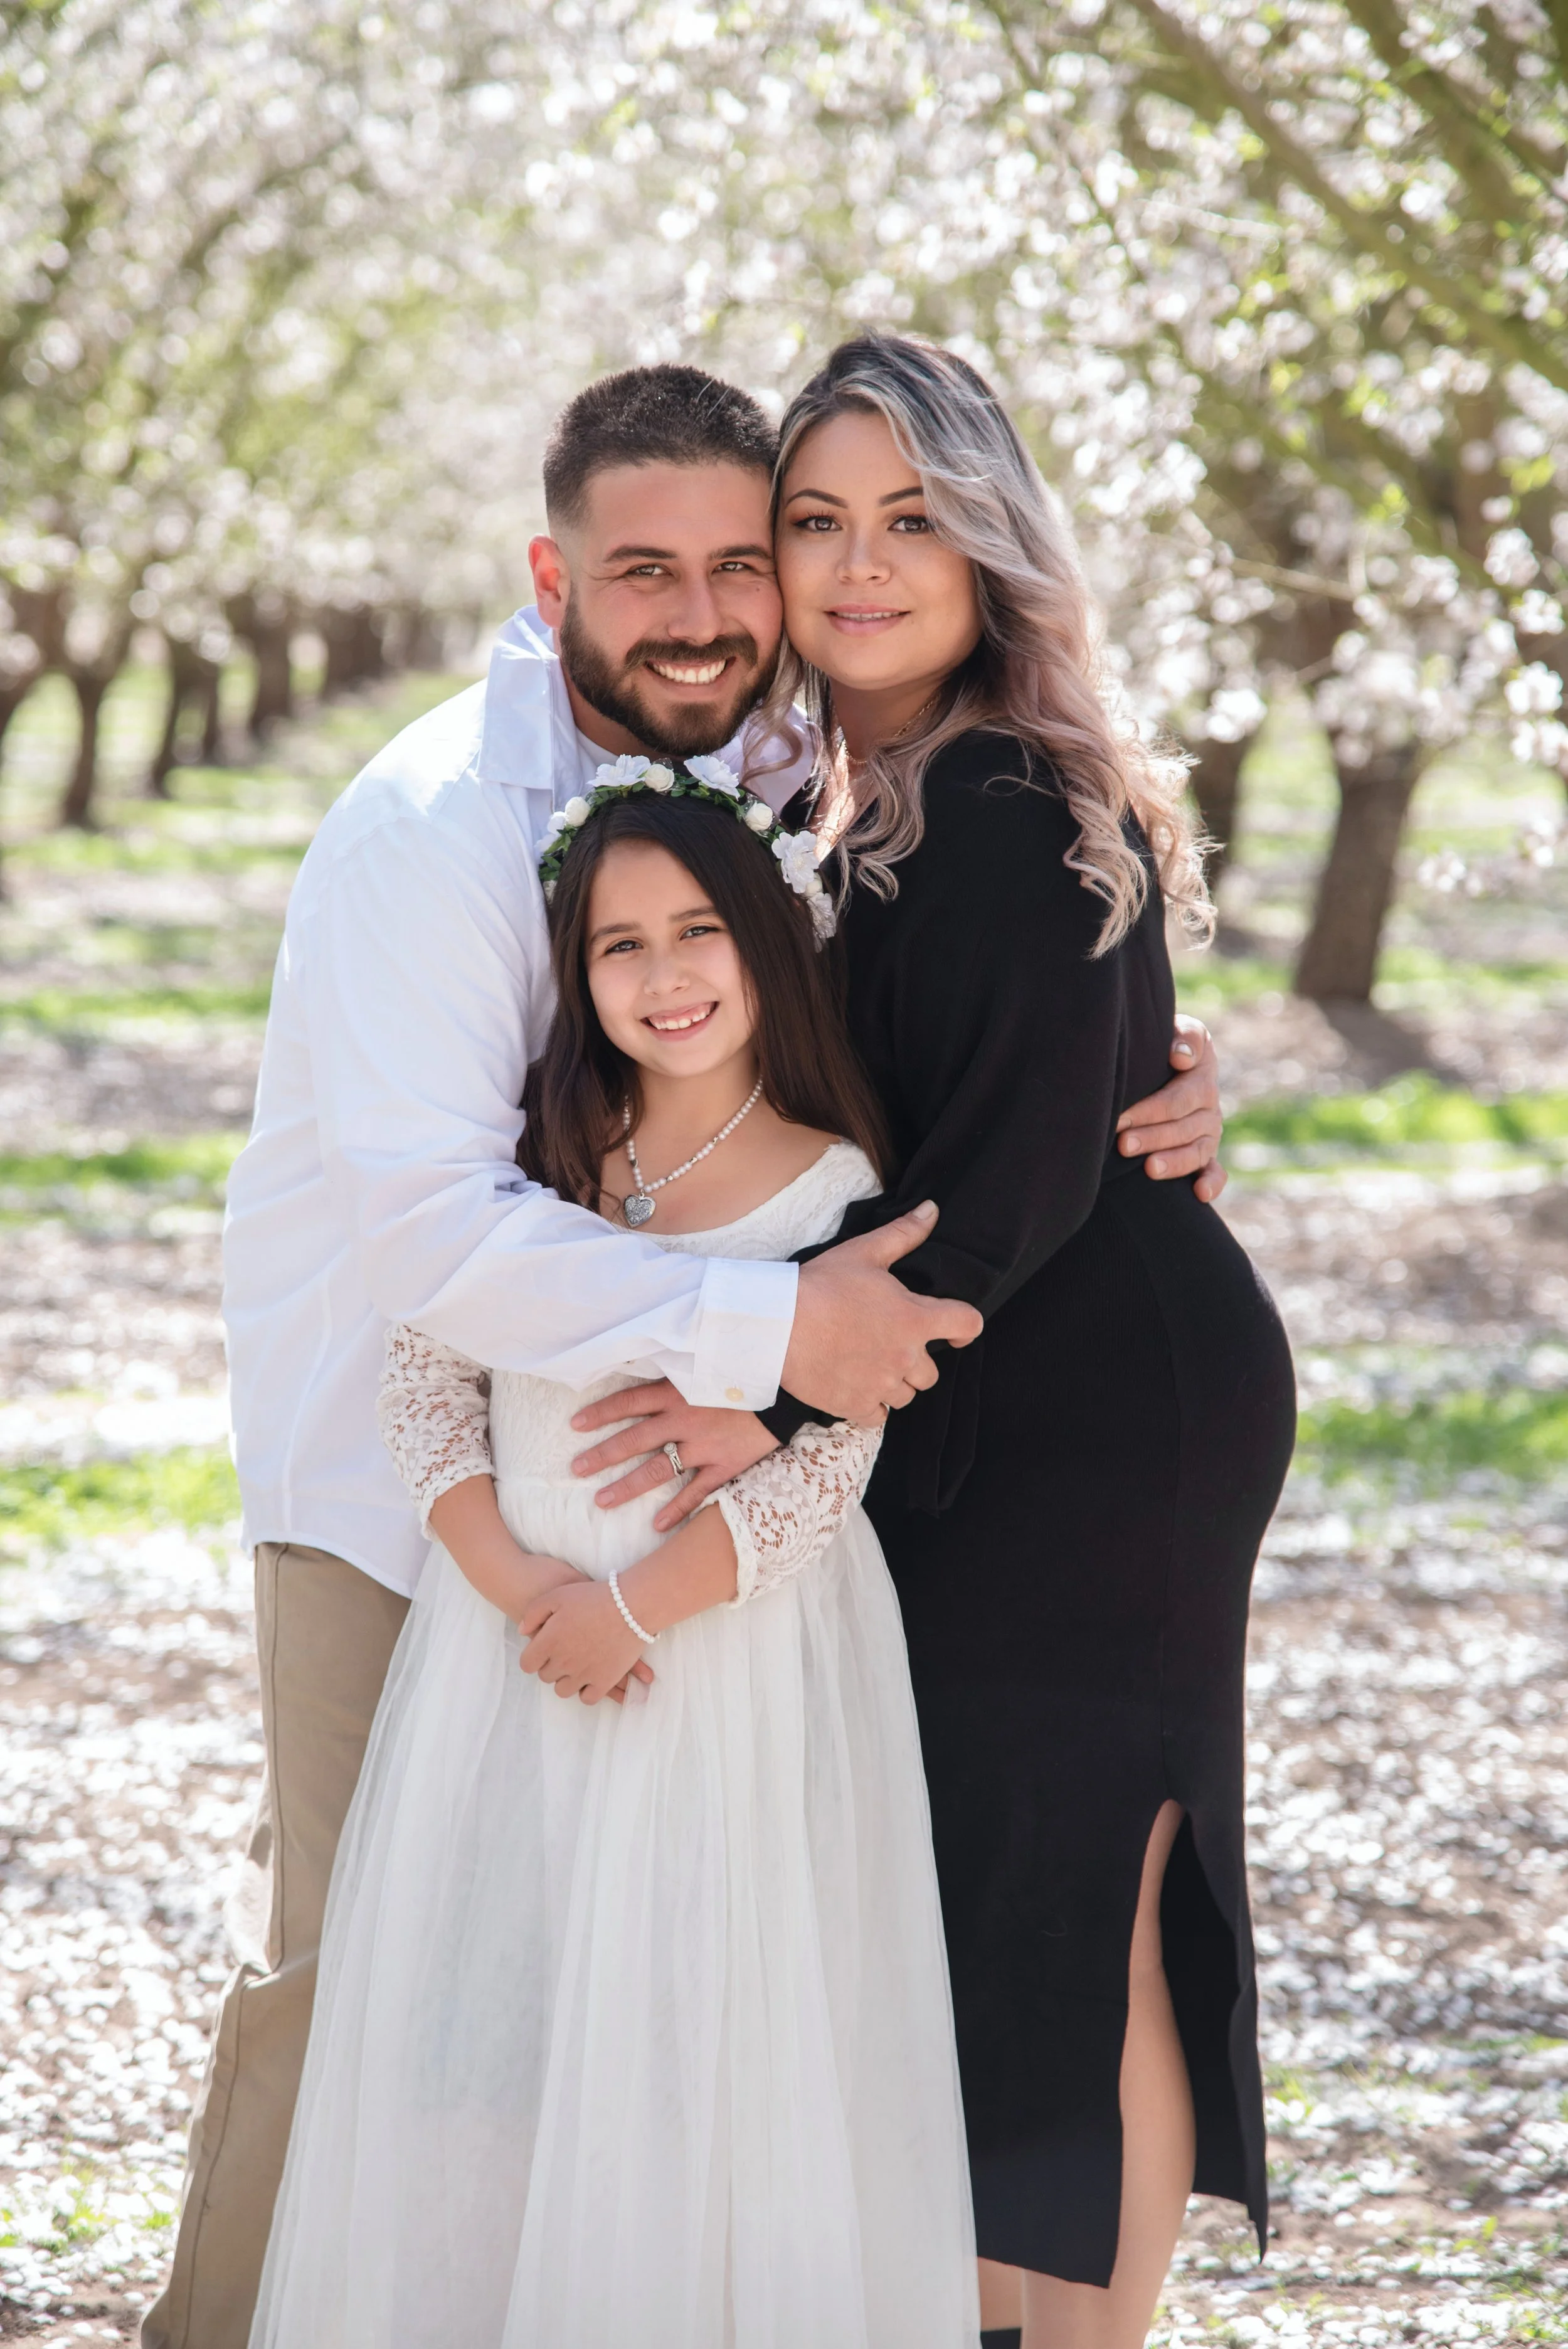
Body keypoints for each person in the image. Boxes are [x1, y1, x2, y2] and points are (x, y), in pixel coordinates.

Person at [147, 361, 1221, 2349]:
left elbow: (912, 1038)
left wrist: (1136, 1081)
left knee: (625, 2023)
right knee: (380, 2012)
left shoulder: (771, 778)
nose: (717, 608)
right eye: (652, 571)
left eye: (750, 557)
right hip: (409, 1515)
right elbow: (434, 1242)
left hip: (706, 1503)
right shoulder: (436, 836)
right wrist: (782, 1340)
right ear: (551, 580)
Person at [571, 336, 1296, 2349]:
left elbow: (1004, 1180)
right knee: (985, 1897)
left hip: (1097, 1412)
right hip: (988, 1385)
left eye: (910, 519)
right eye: (817, 522)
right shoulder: (841, 794)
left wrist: (773, 1404)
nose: (859, 566)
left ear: (989, 541)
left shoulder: (996, 787)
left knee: (1089, 1913)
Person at [249, 773, 980, 2348]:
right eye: (618, 947)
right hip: (511, 1657)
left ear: (765, 943)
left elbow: (828, 1463)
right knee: (494, 2028)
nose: (664, 977)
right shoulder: (535, 1166)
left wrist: (635, 1606)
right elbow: (422, 1387)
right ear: (573, 979)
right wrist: (535, 1601)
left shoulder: (829, 1184)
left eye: (700, 931)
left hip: (725, 1660)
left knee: (699, 2032)